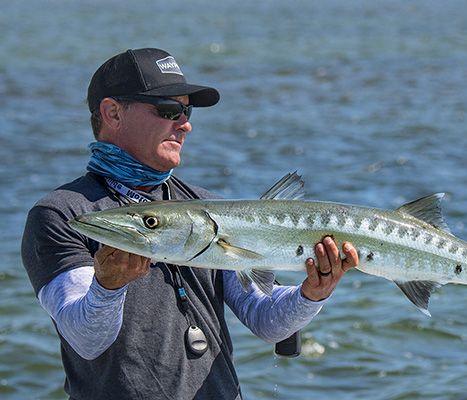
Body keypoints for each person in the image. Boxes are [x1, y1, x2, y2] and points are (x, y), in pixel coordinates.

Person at [21, 48, 359, 400]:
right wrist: (107, 287)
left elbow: (266, 320)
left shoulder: (207, 209)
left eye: (187, 110)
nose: (185, 124)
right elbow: (86, 340)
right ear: (113, 113)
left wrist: (313, 293)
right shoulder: (66, 215)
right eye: (169, 110)